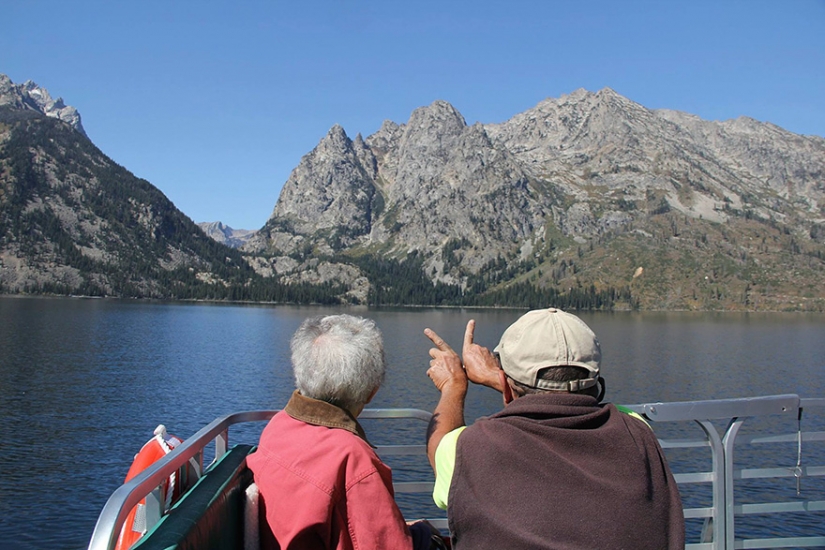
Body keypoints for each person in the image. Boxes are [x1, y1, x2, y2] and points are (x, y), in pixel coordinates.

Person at [424, 307, 685, 549]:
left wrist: (454, 384)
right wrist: (502, 381)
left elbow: (439, 446)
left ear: (505, 383)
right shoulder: (637, 431)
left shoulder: (476, 447)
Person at [248, 314, 442, 550]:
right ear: (371, 391)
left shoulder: (279, 426)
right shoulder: (352, 459)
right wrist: (425, 536)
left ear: (302, 374)